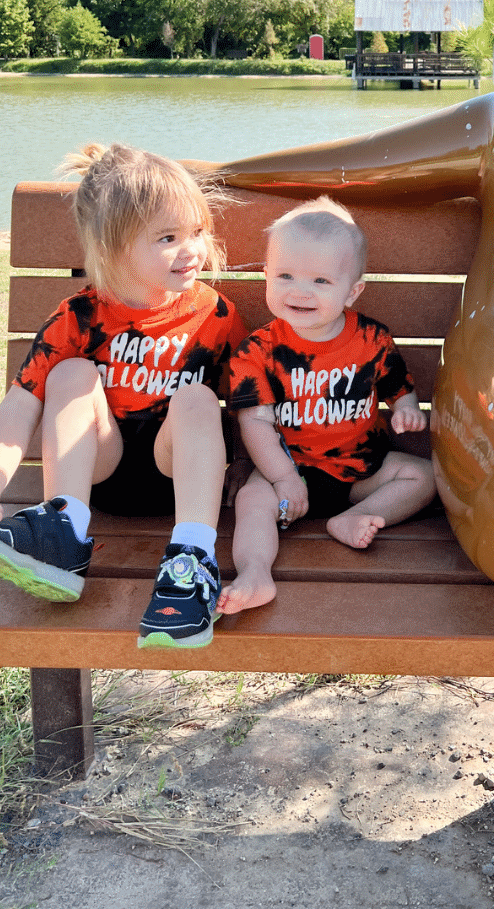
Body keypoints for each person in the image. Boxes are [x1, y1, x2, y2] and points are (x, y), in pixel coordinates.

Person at [0, 143, 246, 649]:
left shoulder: (215, 315)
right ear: (115, 249)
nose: (192, 250)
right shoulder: (79, 317)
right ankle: (63, 531)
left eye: (197, 232)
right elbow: (19, 408)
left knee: (198, 399)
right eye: (168, 237)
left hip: (176, 477)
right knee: (69, 375)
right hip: (97, 472)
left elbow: (249, 407)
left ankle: (192, 562)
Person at [218, 197, 434, 615]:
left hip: (361, 475)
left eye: (320, 281)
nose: (299, 291)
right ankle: (254, 571)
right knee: (253, 500)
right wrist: (282, 479)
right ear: (266, 275)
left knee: (422, 475)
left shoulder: (371, 339)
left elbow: (397, 385)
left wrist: (407, 407)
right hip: (289, 472)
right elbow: (256, 424)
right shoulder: (258, 351)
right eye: (285, 275)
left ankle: (356, 518)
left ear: (352, 291)